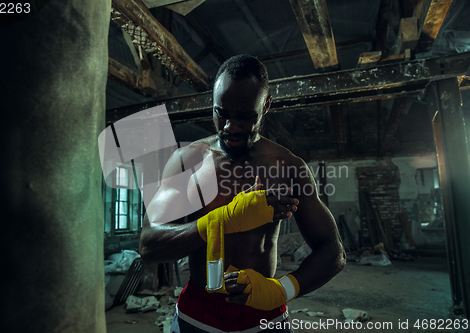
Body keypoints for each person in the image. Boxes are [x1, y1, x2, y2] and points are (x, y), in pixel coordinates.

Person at [139, 54, 346, 333]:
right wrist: (222, 220)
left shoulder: (288, 167)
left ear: (266, 105)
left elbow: (333, 251)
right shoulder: (187, 161)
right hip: (198, 312)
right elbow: (148, 245)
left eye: (245, 117)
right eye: (221, 113)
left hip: (263, 314)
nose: (230, 128)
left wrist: (282, 290)